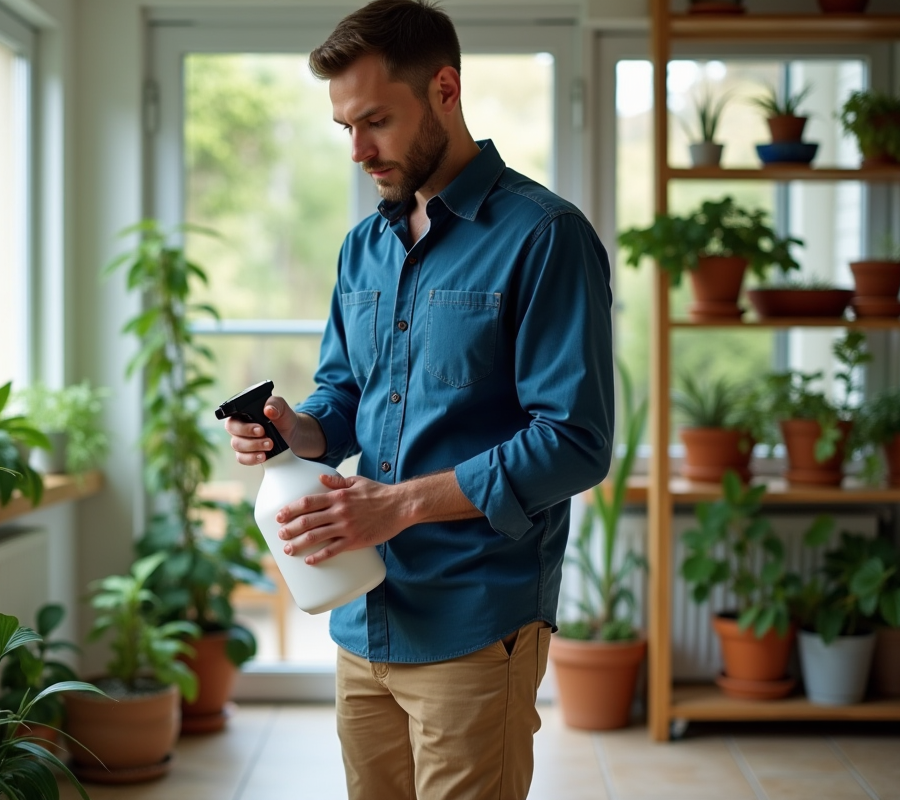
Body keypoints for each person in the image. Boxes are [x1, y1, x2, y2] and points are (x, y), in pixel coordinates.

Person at [223, 1, 614, 798]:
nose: (360, 151)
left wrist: (396, 506)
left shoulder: (544, 236)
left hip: (476, 621)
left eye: (377, 121)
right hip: (363, 614)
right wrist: (299, 430)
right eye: (345, 129)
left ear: (444, 89)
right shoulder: (364, 246)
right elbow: (345, 394)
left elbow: (574, 440)